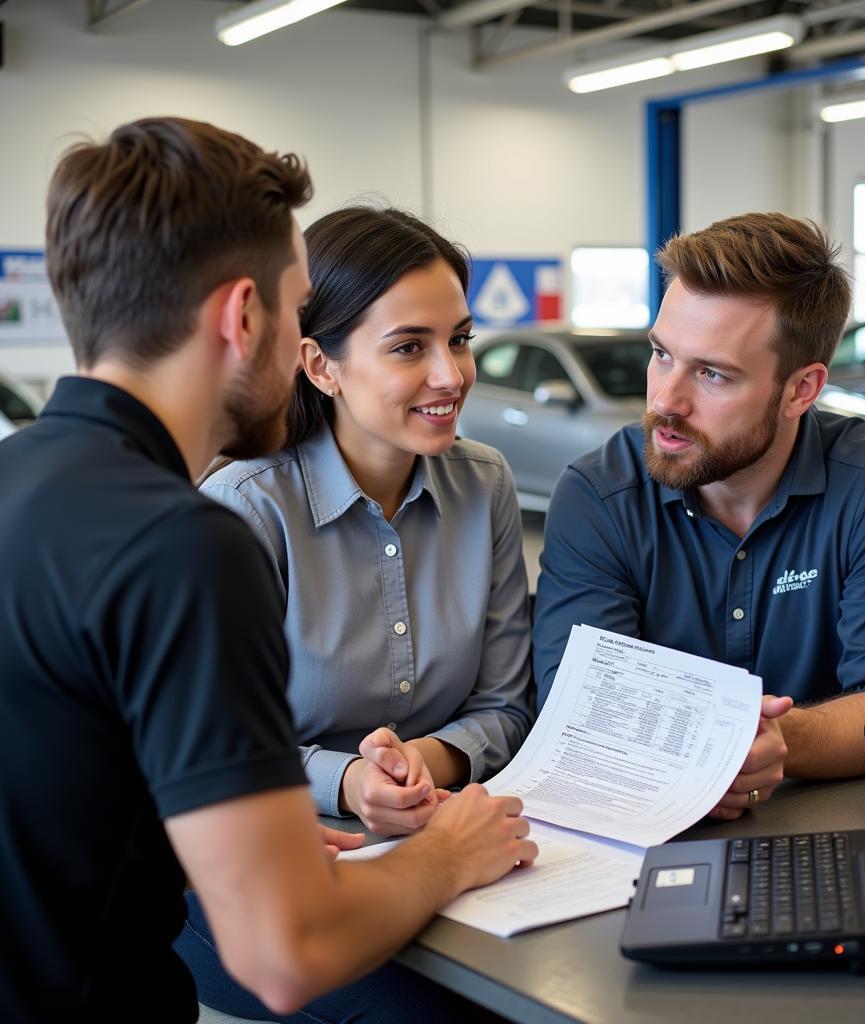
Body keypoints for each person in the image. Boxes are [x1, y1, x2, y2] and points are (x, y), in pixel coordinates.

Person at [0, 117, 536, 1024]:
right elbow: (286, 954)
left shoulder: (21, 482)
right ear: (243, 318)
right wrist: (446, 853)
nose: (299, 343)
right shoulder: (185, 541)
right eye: (296, 311)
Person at [173, 207, 535, 1020]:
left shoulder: (487, 485)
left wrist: (423, 767)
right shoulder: (242, 512)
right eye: (410, 347)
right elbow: (216, 753)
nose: (451, 374)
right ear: (320, 365)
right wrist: (351, 782)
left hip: (439, 841)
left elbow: (507, 703)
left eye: (461, 339)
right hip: (258, 883)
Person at [533, 212, 865, 820]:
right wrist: (722, 746)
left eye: (711, 373)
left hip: (827, 824)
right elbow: (578, 706)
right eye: (661, 354)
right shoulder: (598, 495)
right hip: (646, 829)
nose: (665, 402)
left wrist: (778, 743)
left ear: (801, 390)